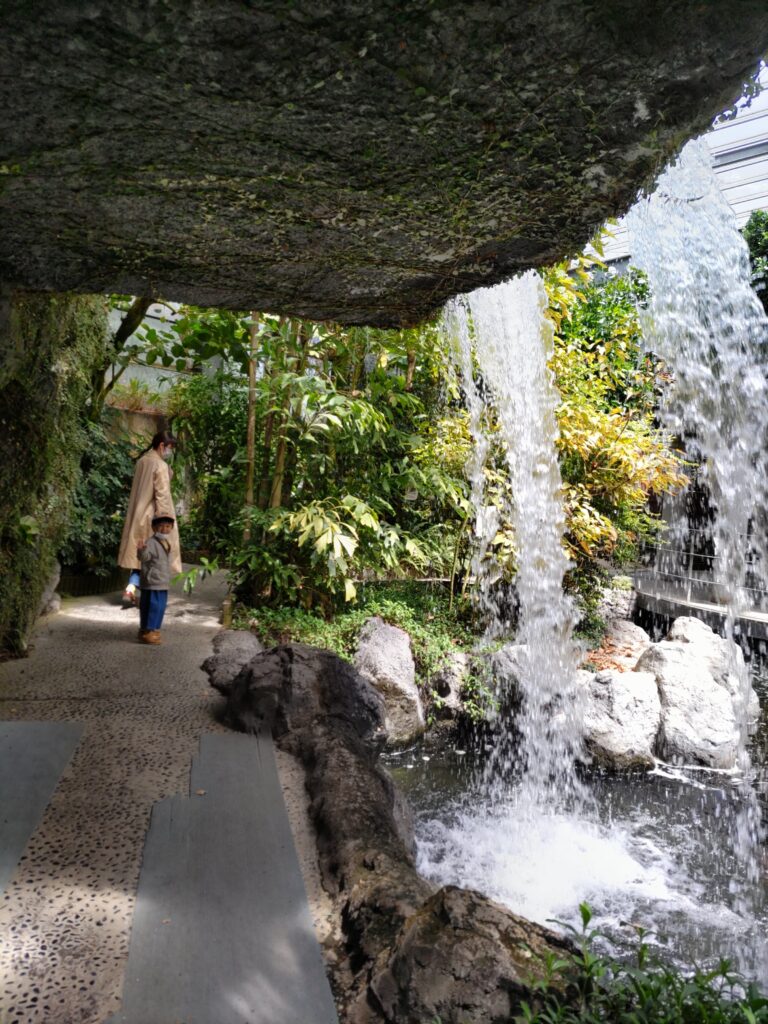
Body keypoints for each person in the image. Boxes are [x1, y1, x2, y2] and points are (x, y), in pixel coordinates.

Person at [118, 430, 182, 604]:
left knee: (140, 556)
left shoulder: (142, 462)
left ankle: (131, 589)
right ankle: (143, 596)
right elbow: (161, 495)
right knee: (153, 557)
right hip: (152, 517)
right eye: (170, 448)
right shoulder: (159, 466)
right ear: (162, 446)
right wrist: (165, 522)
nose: (170, 452)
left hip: (138, 515)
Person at [137, 515, 174, 644]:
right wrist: (141, 551)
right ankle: (150, 631)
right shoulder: (151, 542)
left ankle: (148, 631)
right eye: (161, 526)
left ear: (171, 528)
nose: (164, 529)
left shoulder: (166, 541)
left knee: (155, 606)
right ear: (154, 528)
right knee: (154, 607)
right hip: (153, 580)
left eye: (168, 526)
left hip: (161, 581)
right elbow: (144, 557)